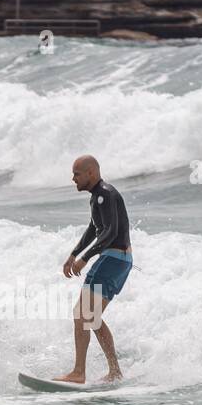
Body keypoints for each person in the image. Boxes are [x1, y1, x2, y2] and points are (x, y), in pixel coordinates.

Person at [53, 155, 132, 384]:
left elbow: (109, 231)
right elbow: (94, 228)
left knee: (82, 314)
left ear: (91, 173)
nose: (73, 178)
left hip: (112, 258)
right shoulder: (99, 196)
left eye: (77, 174)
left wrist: (85, 258)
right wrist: (73, 254)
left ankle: (78, 372)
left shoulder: (105, 194)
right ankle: (115, 371)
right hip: (121, 260)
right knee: (91, 316)